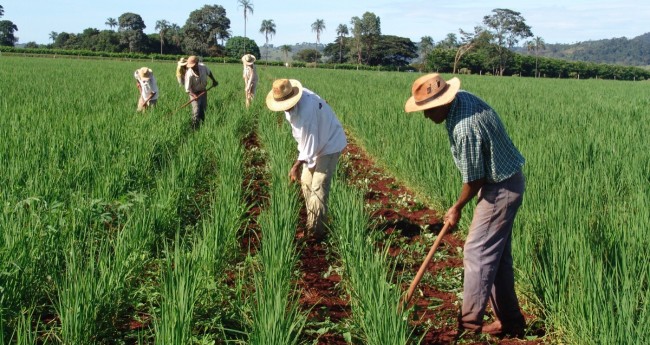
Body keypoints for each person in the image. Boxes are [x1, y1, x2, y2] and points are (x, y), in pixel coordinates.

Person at [404, 73, 527, 337]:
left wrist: (457, 206)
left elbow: (475, 178)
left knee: (477, 253)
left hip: (500, 188)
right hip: (506, 181)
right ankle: (511, 322)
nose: (425, 116)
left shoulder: (464, 127)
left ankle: (468, 326)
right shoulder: (462, 100)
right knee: (497, 258)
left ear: (442, 103)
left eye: (427, 110)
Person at [266, 79, 347, 241]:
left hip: (330, 143)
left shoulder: (306, 113)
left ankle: (315, 232)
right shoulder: (293, 99)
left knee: (318, 185)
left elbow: (309, 145)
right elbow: (306, 142)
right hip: (316, 140)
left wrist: (295, 166)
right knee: (306, 181)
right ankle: (316, 220)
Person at [184, 55, 218, 129]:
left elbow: (209, 73)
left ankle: (202, 124)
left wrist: (214, 80)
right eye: (190, 66)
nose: (192, 67)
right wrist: (193, 95)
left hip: (203, 91)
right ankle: (194, 127)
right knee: (196, 110)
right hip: (193, 93)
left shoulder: (203, 67)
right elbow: (187, 89)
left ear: (197, 63)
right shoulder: (189, 74)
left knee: (203, 108)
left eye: (193, 65)